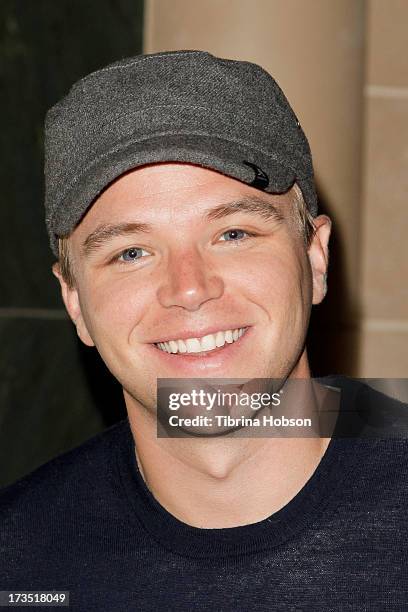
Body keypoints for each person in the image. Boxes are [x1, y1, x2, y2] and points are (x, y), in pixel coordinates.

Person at [1, 50, 407, 611]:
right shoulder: (19, 562)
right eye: (131, 252)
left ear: (314, 257)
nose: (188, 288)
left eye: (234, 234)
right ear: (74, 302)